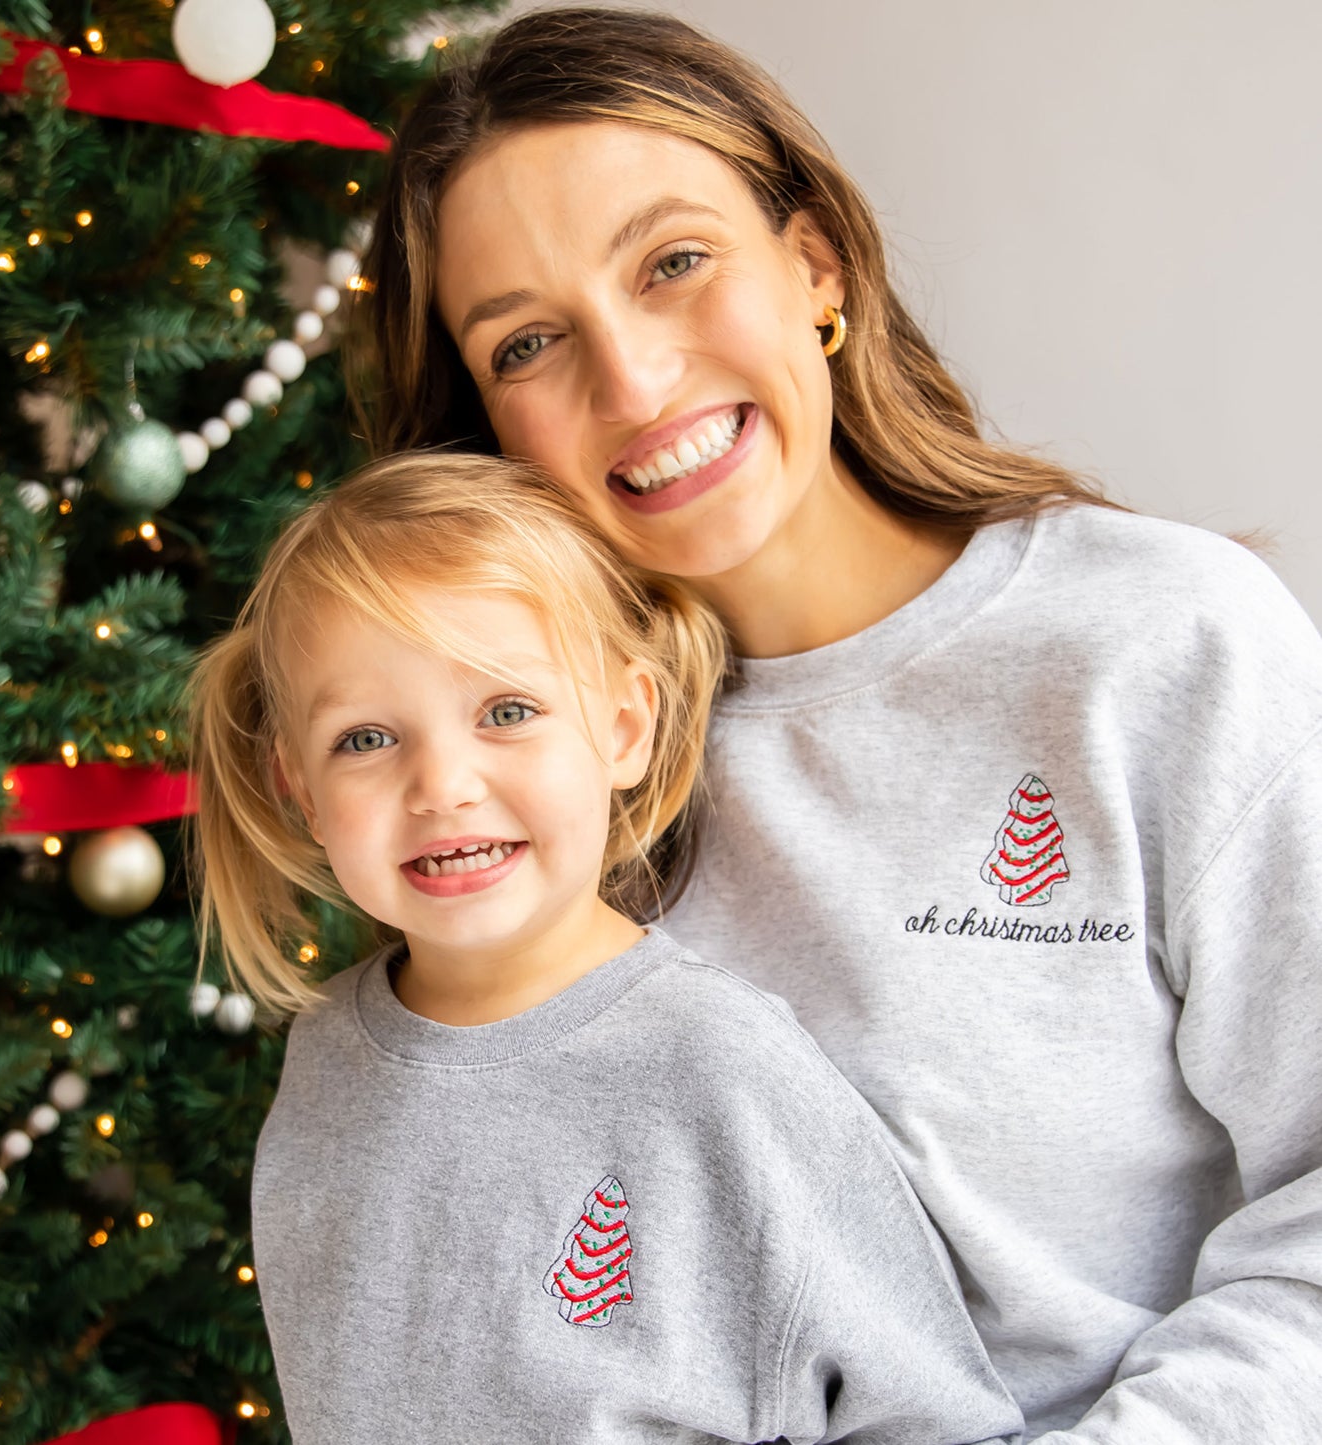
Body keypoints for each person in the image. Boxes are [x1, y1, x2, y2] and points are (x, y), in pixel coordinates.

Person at [353, 8, 1322, 1442]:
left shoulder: (1162, 643)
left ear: (814, 266)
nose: (632, 382)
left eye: (673, 263)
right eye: (529, 344)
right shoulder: (503, 782)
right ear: (486, 429)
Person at [189, 452, 1022, 1445]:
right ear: (299, 788)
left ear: (622, 726)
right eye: (365, 738)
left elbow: (932, 1416)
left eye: (506, 711)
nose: (442, 783)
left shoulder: (720, 1062)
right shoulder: (322, 1059)